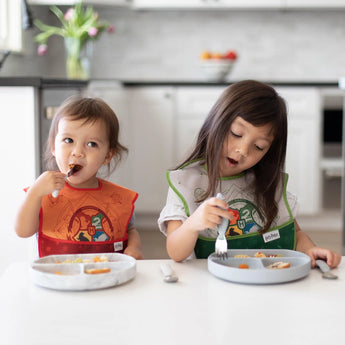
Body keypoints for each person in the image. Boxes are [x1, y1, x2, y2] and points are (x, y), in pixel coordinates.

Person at [158, 80, 341, 268]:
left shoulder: (267, 183)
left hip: (271, 285)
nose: (243, 150)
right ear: (215, 123)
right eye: (236, 134)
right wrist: (192, 224)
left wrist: (310, 250)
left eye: (258, 146)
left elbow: (296, 234)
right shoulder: (186, 182)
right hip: (213, 288)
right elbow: (175, 252)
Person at [15, 95, 144, 260]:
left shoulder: (118, 198)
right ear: (54, 147)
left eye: (91, 144)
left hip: (107, 278)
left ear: (108, 155)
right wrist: (34, 193)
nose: (77, 152)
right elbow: (22, 231)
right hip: (57, 280)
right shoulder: (40, 193)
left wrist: (135, 247)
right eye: (68, 140)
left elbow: (130, 229)